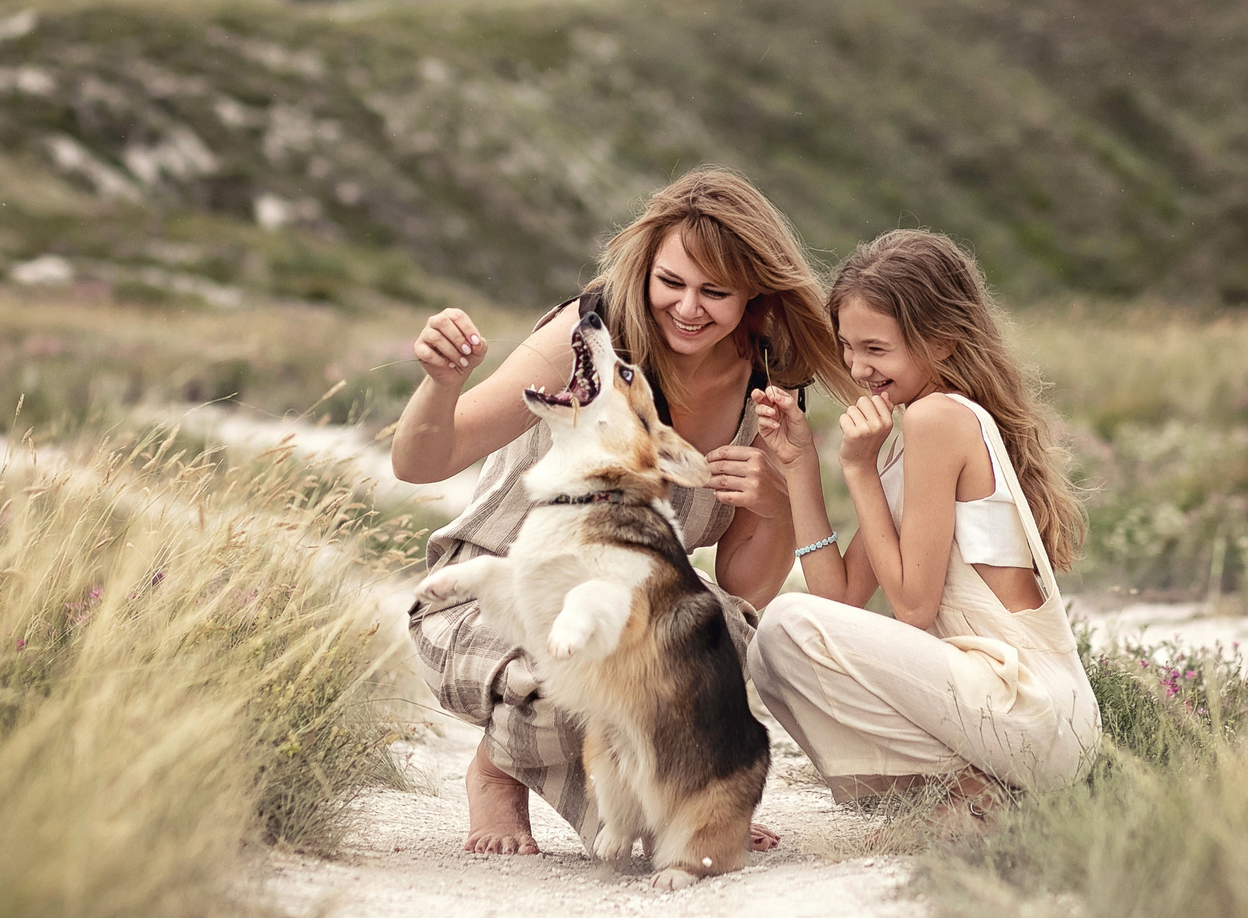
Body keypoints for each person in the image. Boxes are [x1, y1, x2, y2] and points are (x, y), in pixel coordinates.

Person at [393, 168, 852, 856]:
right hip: (493, 599)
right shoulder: (591, 338)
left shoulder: (771, 378)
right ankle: (496, 769)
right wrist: (442, 384)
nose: (688, 307)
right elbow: (423, 462)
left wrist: (778, 499)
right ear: (646, 270)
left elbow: (743, 585)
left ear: (754, 289)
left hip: (621, 607)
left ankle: (694, 800)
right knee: (562, 676)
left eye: (715, 292)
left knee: (728, 639)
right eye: (672, 282)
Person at [747, 229, 1100, 835]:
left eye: (877, 349)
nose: (858, 369)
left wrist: (855, 466)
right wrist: (800, 465)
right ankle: (967, 793)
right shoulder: (922, 432)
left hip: (1032, 712)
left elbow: (911, 607)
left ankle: (969, 793)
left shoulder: (939, 419)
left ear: (940, 343)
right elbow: (840, 601)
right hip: (1026, 720)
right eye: (848, 347)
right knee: (777, 642)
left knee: (785, 625)